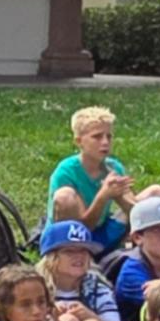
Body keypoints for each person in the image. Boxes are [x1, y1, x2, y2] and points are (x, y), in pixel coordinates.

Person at [49, 106, 152, 249]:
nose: (105, 142)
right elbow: (84, 228)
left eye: (109, 136)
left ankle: (142, 249)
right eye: (97, 137)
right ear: (79, 141)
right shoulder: (66, 172)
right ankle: (74, 253)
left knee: (154, 193)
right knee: (64, 196)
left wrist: (121, 198)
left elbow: (135, 214)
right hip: (74, 236)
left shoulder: (113, 167)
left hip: (103, 228)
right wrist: (103, 197)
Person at [34, 220, 121, 321]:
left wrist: (90, 316)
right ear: (51, 257)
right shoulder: (35, 287)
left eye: (83, 250)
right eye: (69, 251)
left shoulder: (97, 288)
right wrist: (50, 316)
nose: (79, 256)